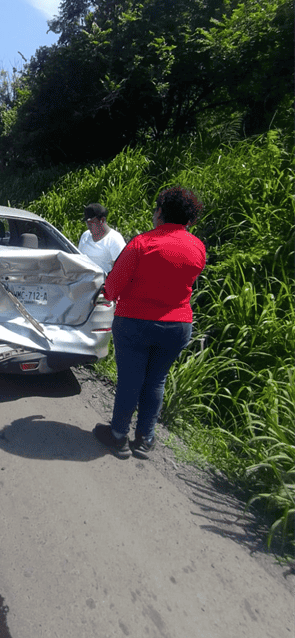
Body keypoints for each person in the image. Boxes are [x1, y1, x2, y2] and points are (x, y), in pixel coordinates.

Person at [93, 186, 206, 459]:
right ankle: (145, 439)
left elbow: (113, 287)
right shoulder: (198, 247)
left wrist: (105, 293)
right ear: (189, 220)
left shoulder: (142, 243)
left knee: (131, 380)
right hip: (177, 325)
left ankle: (118, 436)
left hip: (135, 323)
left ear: (159, 213)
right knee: (156, 381)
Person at [78, 203, 126, 274]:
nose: (88, 226)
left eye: (91, 222)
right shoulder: (85, 235)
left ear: (102, 220)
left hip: (103, 283)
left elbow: (123, 269)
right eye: (87, 223)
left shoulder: (114, 240)